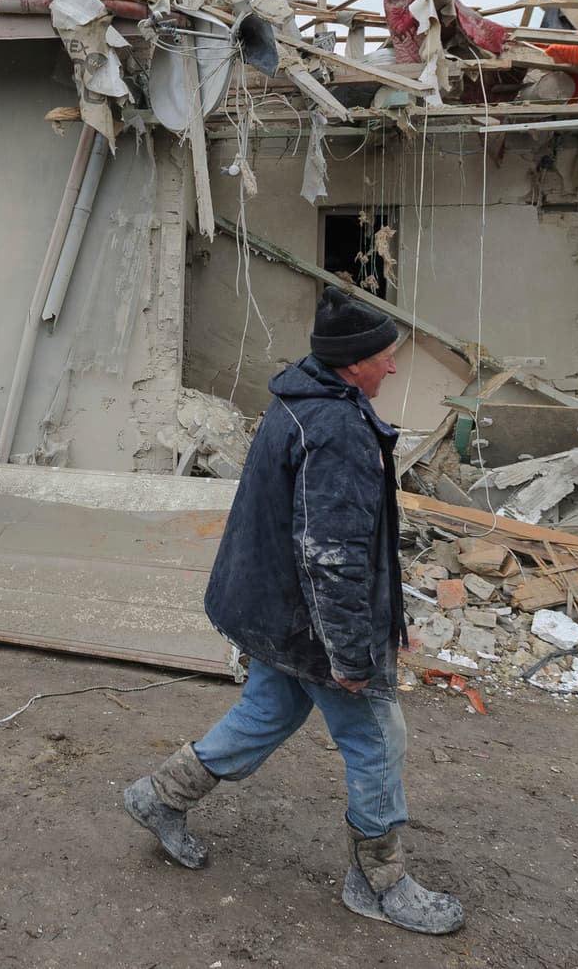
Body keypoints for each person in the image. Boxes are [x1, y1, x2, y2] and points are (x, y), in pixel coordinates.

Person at [122, 287, 463, 936]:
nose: (393, 367)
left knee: (267, 711)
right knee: (376, 739)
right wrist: (352, 655)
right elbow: (330, 558)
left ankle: (158, 797)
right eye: (384, 357)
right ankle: (379, 881)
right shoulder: (333, 428)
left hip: (276, 610)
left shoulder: (304, 398)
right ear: (351, 362)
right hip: (307, 622)